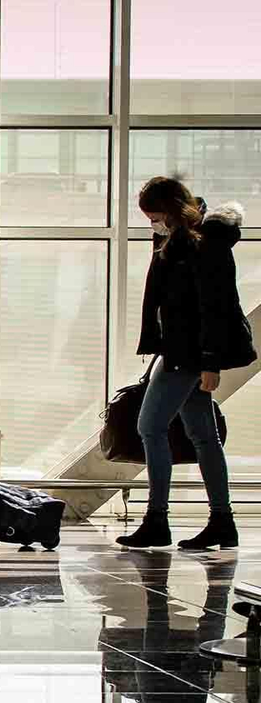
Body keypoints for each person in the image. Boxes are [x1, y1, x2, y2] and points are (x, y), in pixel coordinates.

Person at [117, 178, 253, 550]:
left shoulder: (204, 243)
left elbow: (215, 306)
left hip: (189, 354)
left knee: (150, 426)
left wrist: (211, 362)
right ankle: (222, 521)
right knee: (204, 437)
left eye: (154, 216)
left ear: (171, 210)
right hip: (179, 350)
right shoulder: (177, 240)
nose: (152, 223)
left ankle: (157, 519)